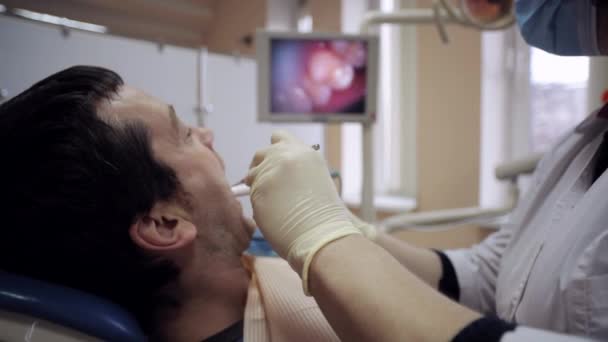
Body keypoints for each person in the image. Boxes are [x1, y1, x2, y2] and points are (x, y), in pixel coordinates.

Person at [245, 1, 608, 341]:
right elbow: (486, 273)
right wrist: (351, 228)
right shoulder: (580, 142)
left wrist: (325, 237)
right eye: (187, 136)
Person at [0, 66, 342, 342]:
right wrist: (330, 236)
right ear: (164, 225)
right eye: (185, 135)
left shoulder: (268, 263)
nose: (207, 134)